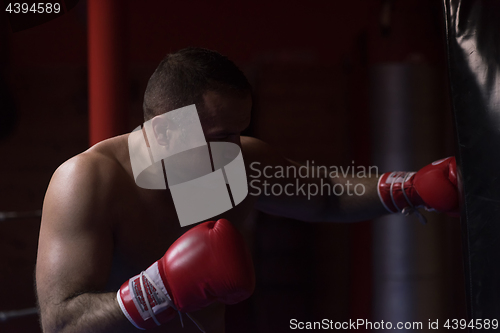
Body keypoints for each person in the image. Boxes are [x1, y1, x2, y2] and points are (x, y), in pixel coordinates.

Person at [35, 47, 459, 333]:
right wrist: (160, 287)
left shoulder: (235, 165)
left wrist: (409, 188)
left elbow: (325, 194)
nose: (233, 150)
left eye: (238, 133)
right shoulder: (91, 181)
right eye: (220, 135)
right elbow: (61, 322)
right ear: (165, 134)